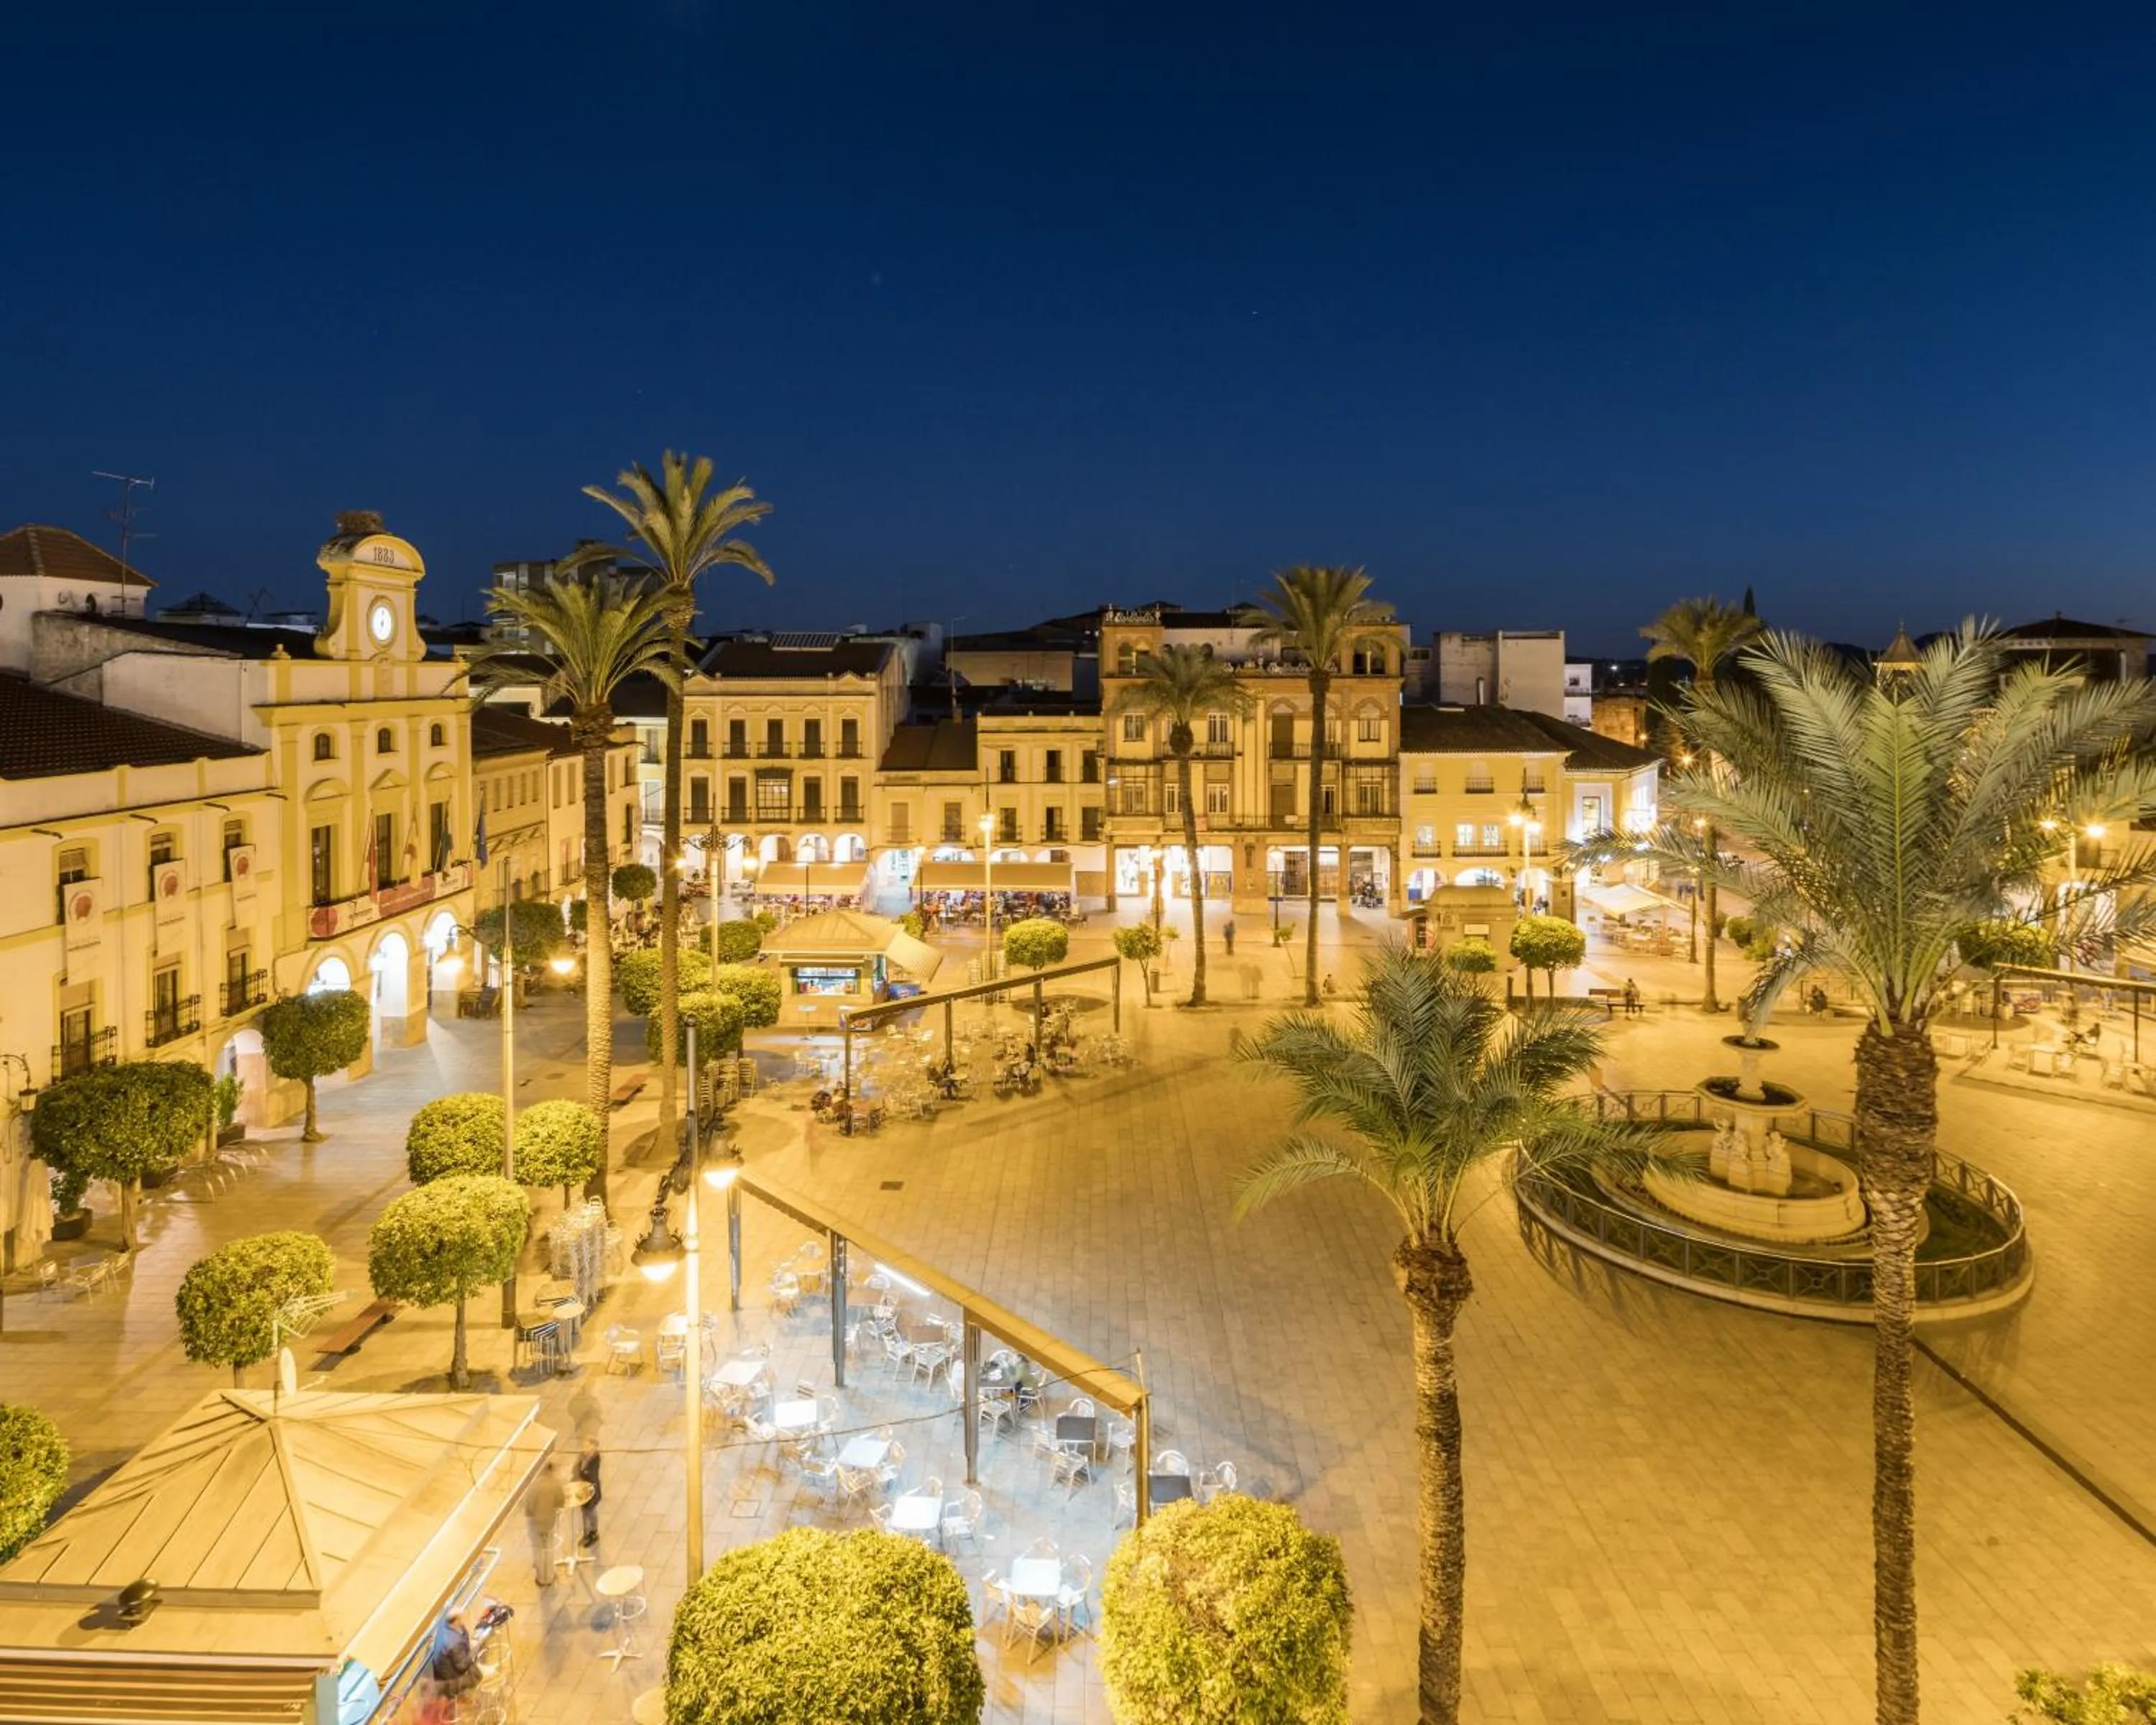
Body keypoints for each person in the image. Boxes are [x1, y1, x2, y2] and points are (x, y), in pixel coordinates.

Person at [526, 1462, 564, 1587]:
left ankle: (541, 1579)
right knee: (549, 1550)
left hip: (535, 1523)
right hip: (550, 1523)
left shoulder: (534, 1486)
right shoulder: (556, 1485)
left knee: (538, 1551)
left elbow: (529, 1508)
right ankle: (549, 1577)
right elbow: (560, 1502)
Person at [430, 1613, 479, 1698]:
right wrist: (475, 1649)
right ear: (456, 1621)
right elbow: (462, 1665)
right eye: (461, 1618)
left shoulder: (445, 1626)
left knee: (476, 1662)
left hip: (443, 1674)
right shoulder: (454, 1642)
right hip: (450, 1681)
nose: (464, 1620)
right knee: (480, 1673)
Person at [574, 1436, 603, 1547]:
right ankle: (586, 1533)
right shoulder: (583, 1457)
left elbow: (591, 1474)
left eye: (587, 1446)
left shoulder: (595, 1459)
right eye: (584, 1446)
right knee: (584, 1512)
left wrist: (583, 1473)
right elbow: (577, 1469)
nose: (584, 1448)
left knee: (591, 1512)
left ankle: (594, 1533)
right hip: (583, 1489)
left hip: (592, 1490)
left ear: (593, 1447)